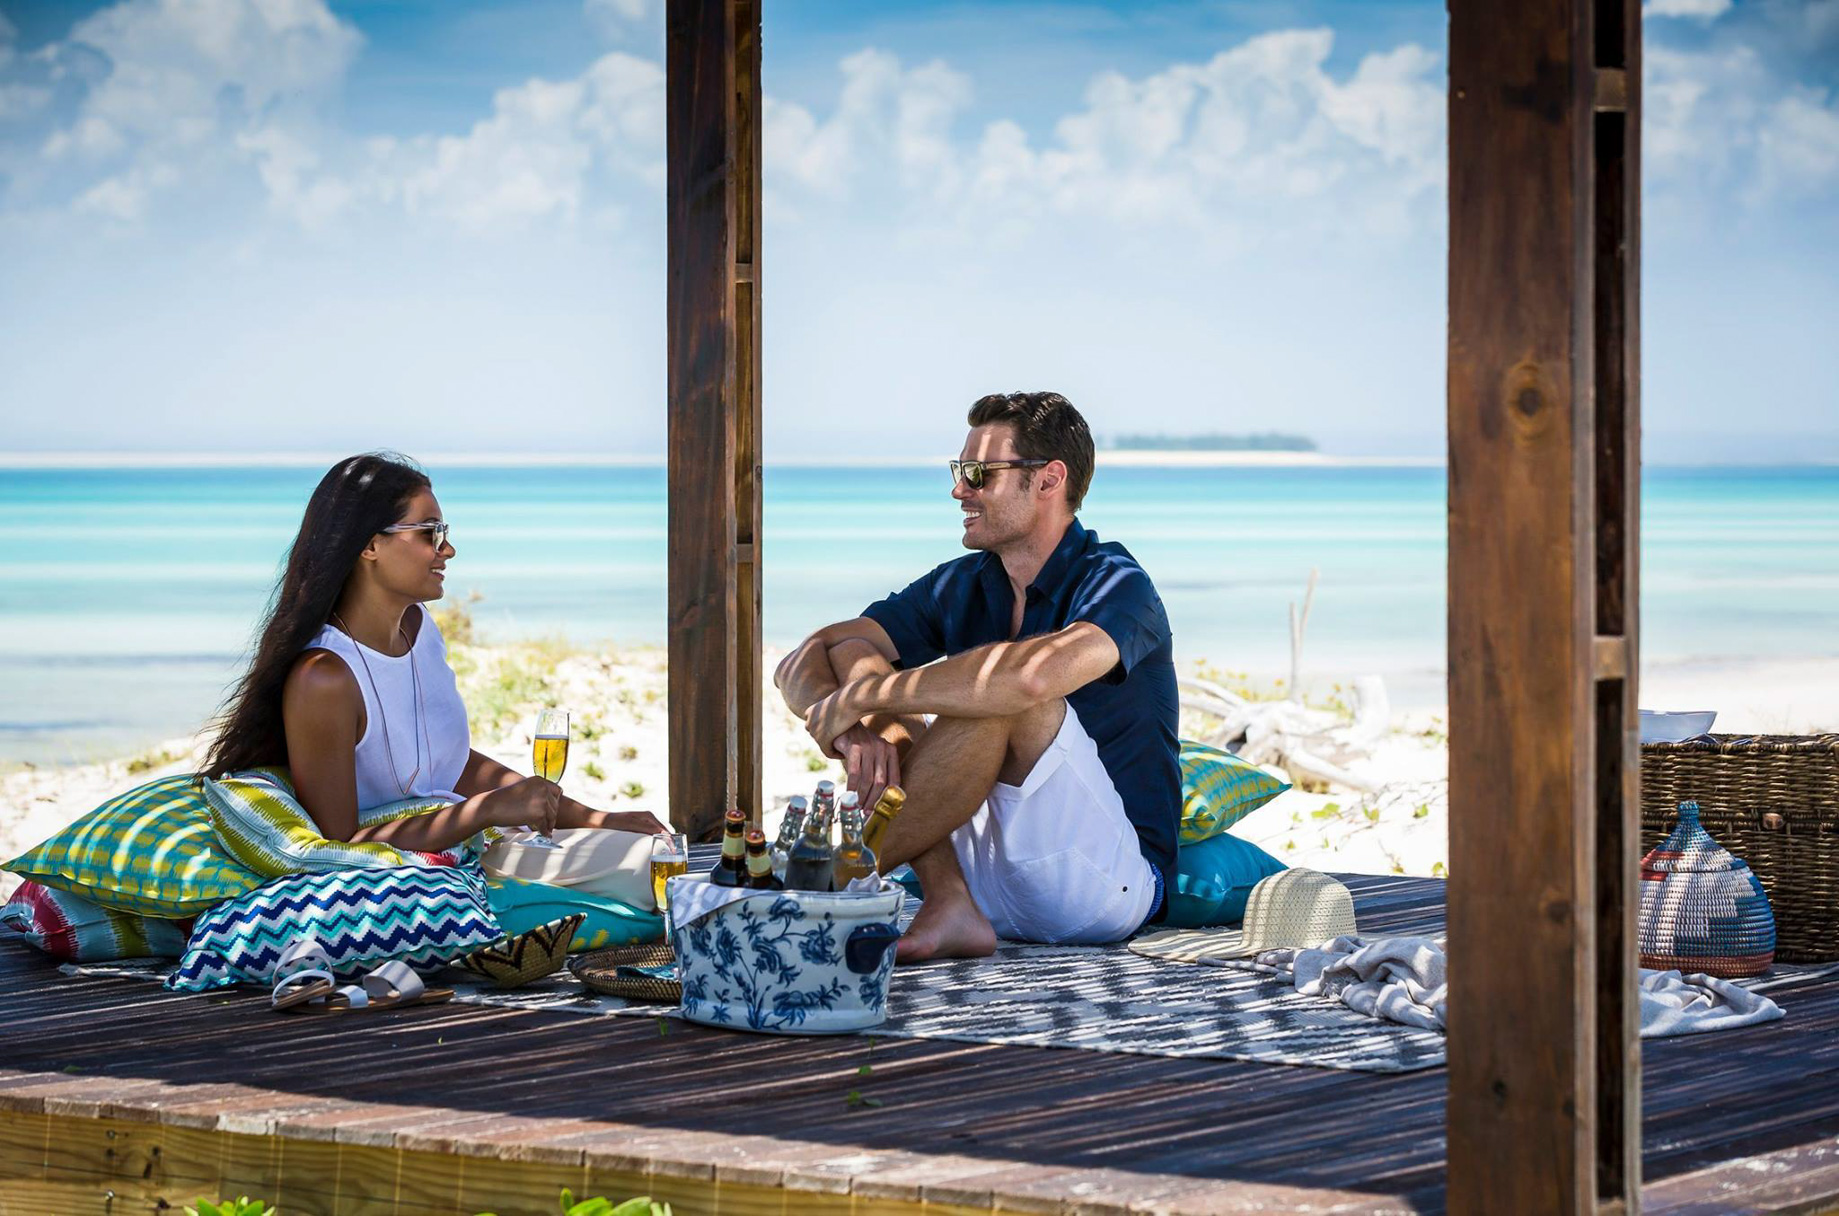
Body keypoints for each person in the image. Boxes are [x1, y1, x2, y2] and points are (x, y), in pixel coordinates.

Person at [777, 392, 1179, 961]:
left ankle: (815, 892)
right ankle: (948, 900)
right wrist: (852, 730)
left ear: (1048, 480)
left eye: (978, 474)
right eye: (958, 471)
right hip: (985, 874)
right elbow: (807, 657)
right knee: (858, 655)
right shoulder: (964, 583)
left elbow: (1035, 679)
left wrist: (866, 695)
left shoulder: (1119, 584)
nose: (958, 490)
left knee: (1006, 693)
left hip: (1100, 884)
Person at [202, 452, 665, 850]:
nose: (448, 549)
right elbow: (337, 846)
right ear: (369, 546)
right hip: (411, 881)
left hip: (470, 849)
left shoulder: (419, 629)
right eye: (430, 533)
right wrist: (483, 813)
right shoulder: (323, 677)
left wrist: (596, 818)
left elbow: (453, 763)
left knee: (646, 853)